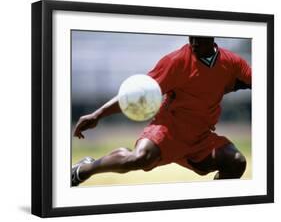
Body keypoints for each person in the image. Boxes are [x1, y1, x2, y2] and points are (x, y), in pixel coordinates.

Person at [72, 36, 251, 186]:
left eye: (199, 37)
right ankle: (85, 168)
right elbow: (134, 95)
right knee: (139, 158)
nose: (194, 42)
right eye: (191, 37)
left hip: (200, 138)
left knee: (236, 162)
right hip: (168, 130)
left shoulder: (232, 62)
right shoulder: (175, 61)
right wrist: (98, 114)